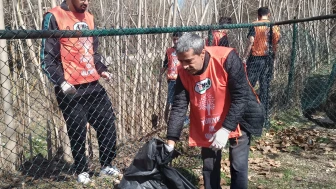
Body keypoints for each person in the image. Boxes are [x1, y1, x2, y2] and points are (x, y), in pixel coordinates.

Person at [166, 33, 264, 189]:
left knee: (238, 164)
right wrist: (171, 142)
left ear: (202, 53)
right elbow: (179, 106)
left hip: (239, 116)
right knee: (209, 165)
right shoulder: (183, 72)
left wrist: (225, 130)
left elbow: (241, 97)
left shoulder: (226, 59)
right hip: (209, 117)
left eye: (189, 61)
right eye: (181, 61)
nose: (184, 66)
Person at [40, 0, 119, 183]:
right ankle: (82, 170)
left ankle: (106, 165)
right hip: (71, 89)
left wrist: (102, 69)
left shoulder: (90, 18)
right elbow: (47, 58)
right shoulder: (54, 16)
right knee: (77, 130)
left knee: (107, 123)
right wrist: (61, 82)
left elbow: (93, 52)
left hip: (93, 84)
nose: (86, 2)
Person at [242, 7, 280, 128]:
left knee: (248, 85)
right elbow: (275, 42)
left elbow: (251, 41)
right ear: (268, 14)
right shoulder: (273, 25)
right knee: (265, 87)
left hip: (255, 58)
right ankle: (264, 117)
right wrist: (274, 57)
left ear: (258, 15)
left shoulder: (254, 25)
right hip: (268, 57)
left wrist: (244, 57)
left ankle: (245, 113)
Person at [160, 32, 189, 125]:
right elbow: (165, 63)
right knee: (172, 101)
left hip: (182, 78)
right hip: (172, 78)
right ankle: (176, 121)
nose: (176, 41)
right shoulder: (169, 51)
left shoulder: (185, 50)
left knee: (182, 100)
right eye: (174, 39)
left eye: (177, 39)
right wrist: (160, 75)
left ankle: (184, 119)